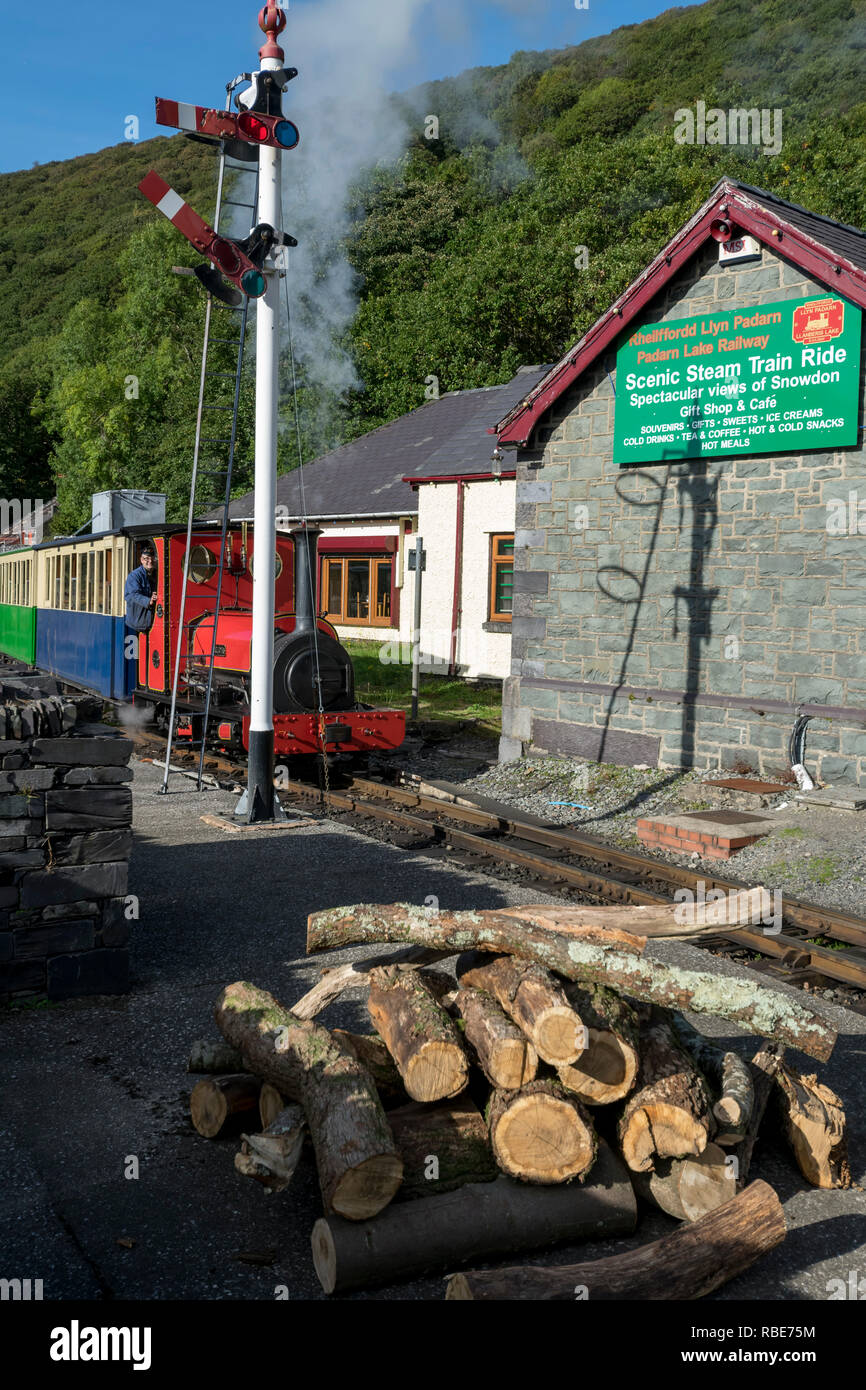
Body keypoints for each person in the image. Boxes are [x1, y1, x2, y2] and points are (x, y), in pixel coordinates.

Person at [125, 543, 157, 633]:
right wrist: (149, 601)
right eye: (146, 559)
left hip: (152, 621)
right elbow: (134, 595)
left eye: (152, 558)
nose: (150, 561)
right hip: (137, 624)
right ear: (141, 560)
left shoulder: (157, 574)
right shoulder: (134, 576)